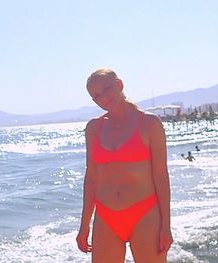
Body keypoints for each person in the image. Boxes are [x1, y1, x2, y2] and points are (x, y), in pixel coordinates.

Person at [76, 69, 173, 262]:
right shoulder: (94, 128)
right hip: (106, 216)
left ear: (119, 85)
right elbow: (91, 179)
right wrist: (84, 225)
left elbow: (161, 177)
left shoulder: (150, 124)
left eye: (106, 89)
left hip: (145, 214)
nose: (103, 97)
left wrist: (166, 226)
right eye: (96, 96)